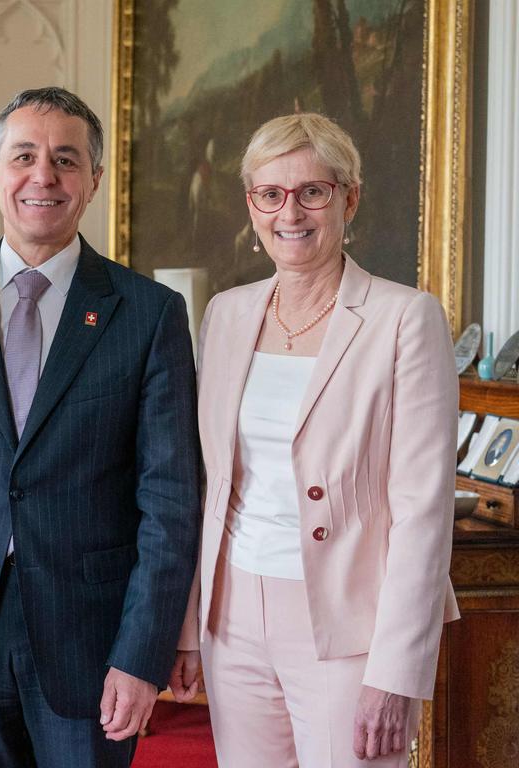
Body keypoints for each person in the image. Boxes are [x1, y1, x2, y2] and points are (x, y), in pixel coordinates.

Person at [0, 86, 201, 767]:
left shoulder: (148, 314)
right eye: (23, 156)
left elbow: (170, 502)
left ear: (93, 181)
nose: (43, 175)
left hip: (93, 642)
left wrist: (143, 655)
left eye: (66, 159)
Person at [169, 113, 460, 767]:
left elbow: (422, 511)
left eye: (313, 192)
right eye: (270, 194)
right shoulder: (226, 313)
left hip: (349, 622)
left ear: (348, 198)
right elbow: (208, 485)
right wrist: (190, 626)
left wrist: (397, 670)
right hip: (233, 616)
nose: (289, 212)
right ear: (251, 204)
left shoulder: (405, 319)